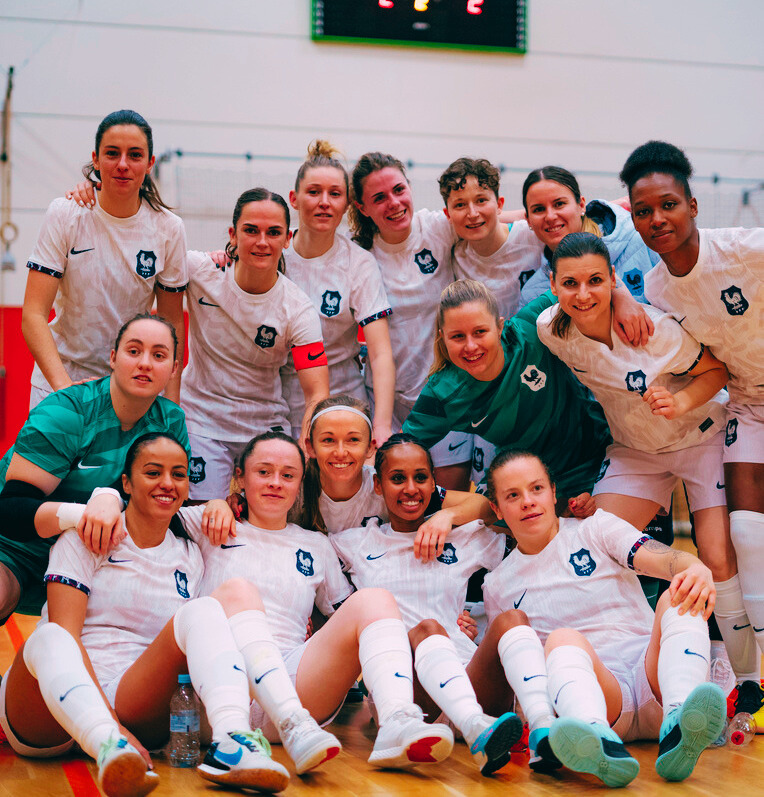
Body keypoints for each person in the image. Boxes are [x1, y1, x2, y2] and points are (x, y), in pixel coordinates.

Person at [0, 432, 319, 795]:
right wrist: (113, 724)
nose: (167, 483)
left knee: (205, 609)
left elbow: (220, 513)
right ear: (126, 483)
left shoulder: (190, 548)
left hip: (134, 695)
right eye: (153, 472)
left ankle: (232, 741)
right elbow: (67, 634)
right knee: (51, 635)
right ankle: (107, 741)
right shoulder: (85, 536)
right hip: (50, 706)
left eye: (178, 474)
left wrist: (220, 502)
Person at [535, 231, 750, 689]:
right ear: (552, 285)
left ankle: (746, 680)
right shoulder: (551, 329)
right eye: (570, 283)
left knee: (716, 555)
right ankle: (627, 662)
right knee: (596, 545)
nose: (583, 294)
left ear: (613, 278)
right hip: (636, 450)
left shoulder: (654, 330)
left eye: (596, 281)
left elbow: (716, 371)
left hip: (700, 436)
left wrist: (681, 400)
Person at [178, 430, 456, 769]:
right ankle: (246, 735)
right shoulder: (209, 523)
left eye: (288, 475)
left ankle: (396, 720)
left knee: (374, 599)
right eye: (263, 472)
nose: (275, 482)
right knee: (238, 590)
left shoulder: (316, 544)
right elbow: (145, 514)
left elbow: (354, 625)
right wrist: (215, 503)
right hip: (218, 691)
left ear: (300, 484)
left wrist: (446, 620)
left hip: (297, 685)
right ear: (240, 477)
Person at [620, 140, 764, 723]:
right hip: (747, 403)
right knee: (744, 534)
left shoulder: (746, 249)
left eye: (669, 205)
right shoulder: (657, 291)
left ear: (693, 205)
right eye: (644, 211)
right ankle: (752, 683)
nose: (658, 219)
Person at [482, 450, 726, 787]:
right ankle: (596, 740)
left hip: (654, 676)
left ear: (553, 492)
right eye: (512, 495)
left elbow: (663, 559)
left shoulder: (596, 526)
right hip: (599, 696)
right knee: (562, 638)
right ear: (496, 508)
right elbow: (520, 669)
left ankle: (681, 720)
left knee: (680, 594)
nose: (528, 501)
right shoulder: (496, 585)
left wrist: (694, 567)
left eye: (536, 488)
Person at [330, 433, 534, 776]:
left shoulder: (466, 537)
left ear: (434, 483)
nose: (411, 488)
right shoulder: (354, 543)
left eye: (421, 477)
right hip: (408, 695)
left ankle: (539, 725)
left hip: (471, 678)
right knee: (427, 628)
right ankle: (474, 727)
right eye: (398, 478)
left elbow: (517, 528)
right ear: (378, 485)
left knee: (513, 619)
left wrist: (448, 516)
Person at [0, 314, 189, 623]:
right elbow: (10, 511)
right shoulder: (68, 411)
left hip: (97, 554)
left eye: (159, 355)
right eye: (134, 351)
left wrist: (217, 507)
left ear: (174, 369)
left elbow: (165, 506)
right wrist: (82, 514)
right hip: (16, 548)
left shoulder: (171, 422)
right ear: (113, 358)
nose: (145, 363)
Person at [24, 110, 187, 408]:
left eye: (135, 155)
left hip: (130, 388)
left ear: (150, 163)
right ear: (96, 160)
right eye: (112, 153)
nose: (123, 164)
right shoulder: (65, 214)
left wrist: (172, 404)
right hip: (59, 384)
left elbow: (172, 322)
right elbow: (33, 315)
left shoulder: (169, 228)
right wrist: (65, 391)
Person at [402, 279, 614, 505]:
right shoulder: (443, 393)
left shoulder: (531, 327)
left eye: (480, 332)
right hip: (526, 487)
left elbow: (589, 284)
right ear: (442, 337)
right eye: (457, 336)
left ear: (500, 327)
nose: (470, 346)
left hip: (597, 458)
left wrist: (625, 301)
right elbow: (399, 452)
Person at [181, 188, 329, 500]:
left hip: (264, 427)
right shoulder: (201, 270)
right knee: (204, 518)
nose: (262, 242)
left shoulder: (298, 309)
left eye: (273, 233)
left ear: (287, 239)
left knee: (268, 517)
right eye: (251, 231)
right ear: (233, 235)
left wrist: (305, 442)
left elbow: (317, 392)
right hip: (201, 421)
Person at [348, 152, 471, 487]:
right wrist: (228, 253)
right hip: (387, 404)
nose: (394, 203)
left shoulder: (436, 228)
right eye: (379, 198)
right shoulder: (359, 255)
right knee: (399, 502)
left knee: (449, 499)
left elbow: (496, 219)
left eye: (399, 190)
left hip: (446, 397)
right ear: (362, 207)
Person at [281, 140, 395, 446]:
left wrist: (382, 425)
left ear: (347, 204)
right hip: (279, 399)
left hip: (342, 399)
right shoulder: (273, 253)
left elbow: (380, 353)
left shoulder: (358, 263)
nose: (324, 202)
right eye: (313, 192)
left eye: (334, 194)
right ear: (294, 199)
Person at [301, 397, 495, 563]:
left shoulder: (388, 483)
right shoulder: (297, 491)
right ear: (310, 447)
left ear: (370, 447)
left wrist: (447, 516)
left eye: (353, 440)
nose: (341, 452)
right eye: (328, 440)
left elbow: (487, 507)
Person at [517, 165, 659, 306]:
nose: (550, 216)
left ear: (581, 205)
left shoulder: (643, 240)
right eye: (539, 209)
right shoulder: (533, 294)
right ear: (528, 219)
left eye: (559, 204)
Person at [439, 157, 544, 320]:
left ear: (499, 204)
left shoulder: (533, 237)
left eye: (481, 200)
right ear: (448, 214)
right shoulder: (455, 256)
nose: (473, 213)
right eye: (460, 205)